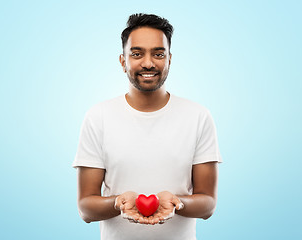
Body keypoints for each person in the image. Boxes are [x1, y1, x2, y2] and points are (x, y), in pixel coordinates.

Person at [72, 13, 222, 240]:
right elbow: (85, 208)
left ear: (169, 59)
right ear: (123, 62)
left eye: (158, 54)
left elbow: (208, 204)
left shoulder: (198, 116)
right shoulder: (98, 117)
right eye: (137, 53)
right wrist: (118, 203)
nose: (149, 63)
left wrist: (177, 202)